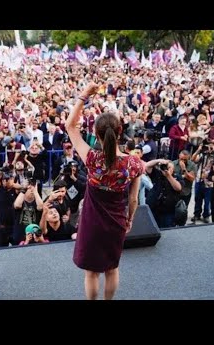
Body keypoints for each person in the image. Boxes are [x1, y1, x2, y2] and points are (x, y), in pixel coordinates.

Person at [66, 82, 143, 300]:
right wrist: (129, 220)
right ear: (120, 132)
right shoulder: (134, 164)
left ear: (95, 133)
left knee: (92, 272)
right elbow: (133, 199)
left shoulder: (91, 159)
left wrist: (84, 94)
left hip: (92, 221)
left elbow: (70, 126)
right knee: (112, 268)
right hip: (116, 221)